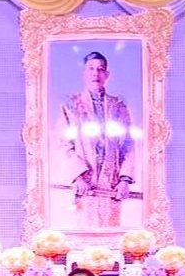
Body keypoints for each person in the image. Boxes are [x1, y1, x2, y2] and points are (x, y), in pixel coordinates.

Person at [57, 51, 137, 228]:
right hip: (86, 184)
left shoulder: (118, 106)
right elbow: (64, 144)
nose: (96, 73)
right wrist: (77, 177)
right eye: (91, 69)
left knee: (110, 233)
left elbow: (128, 145)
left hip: (111, 184)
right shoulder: (70, 105)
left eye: (101, 69)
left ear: (107, 74)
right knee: (83, 230)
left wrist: (124, 180)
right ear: (84, 74)